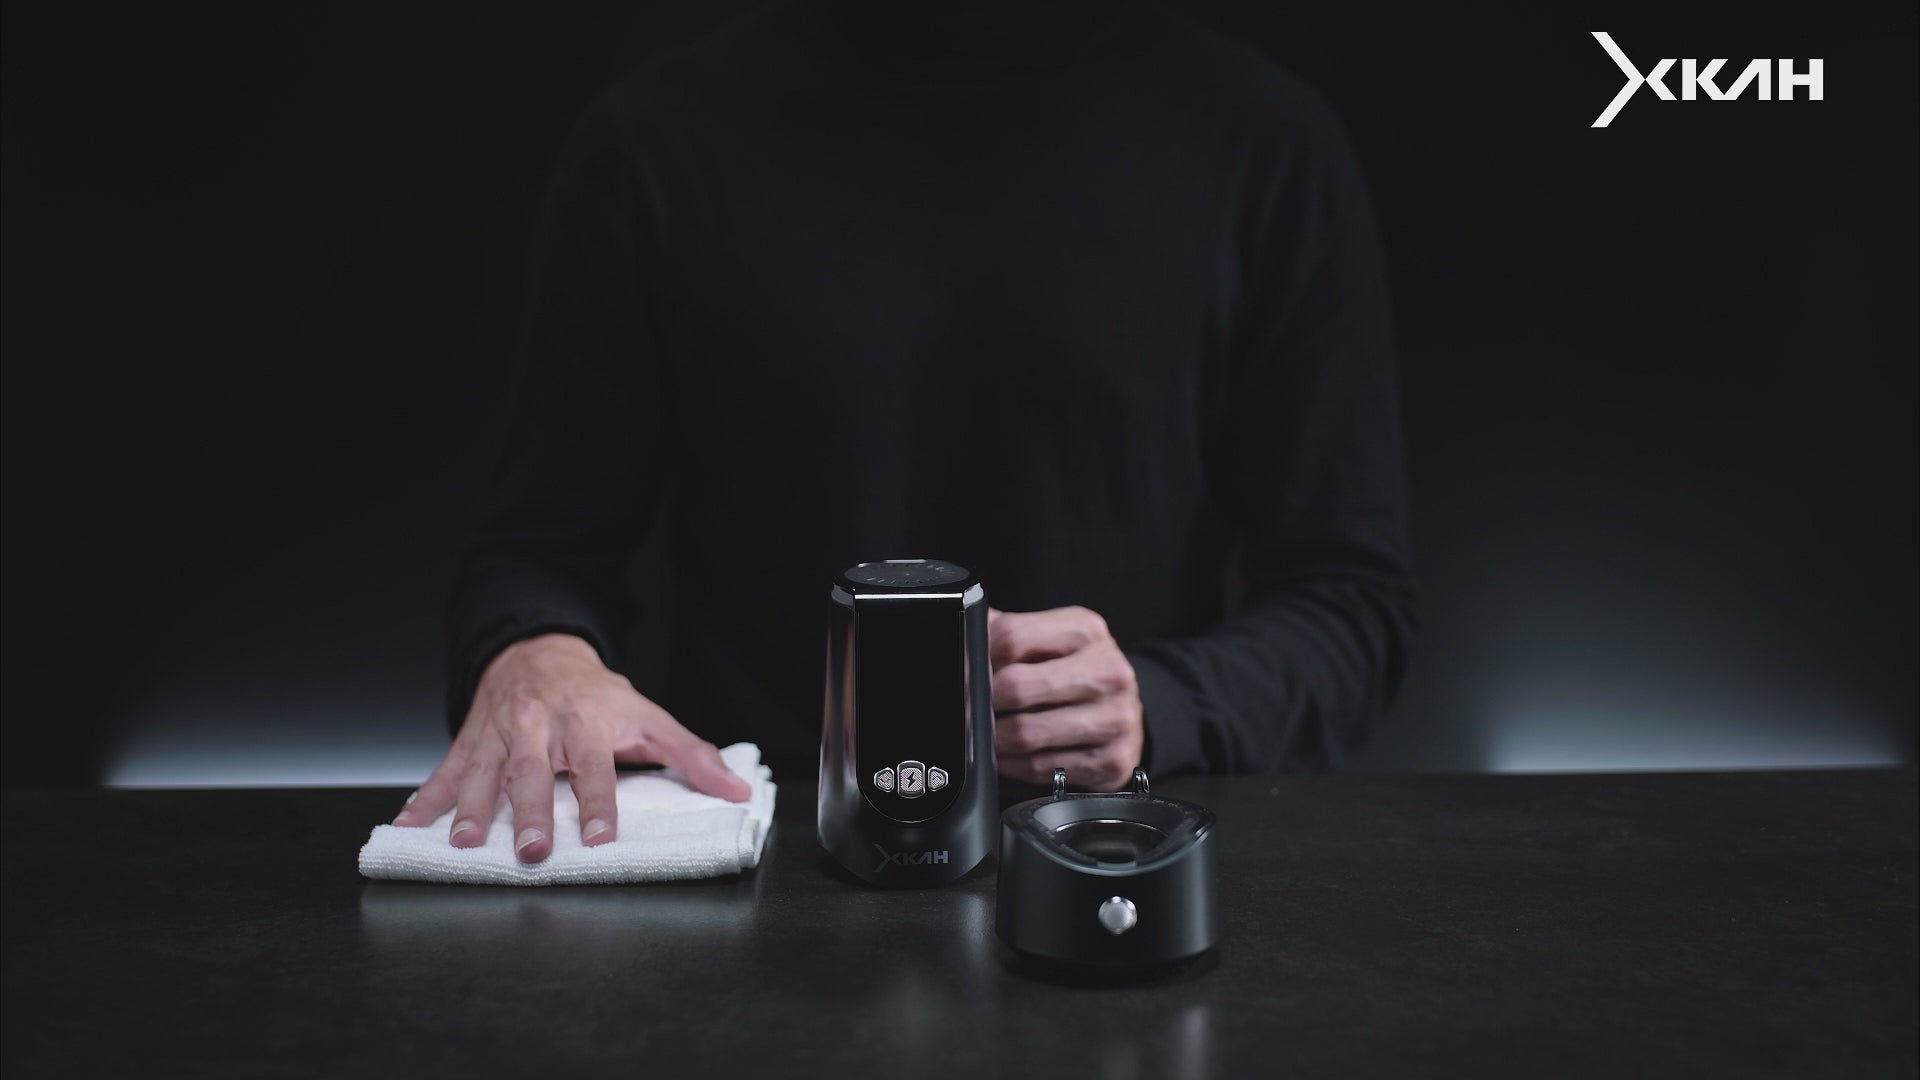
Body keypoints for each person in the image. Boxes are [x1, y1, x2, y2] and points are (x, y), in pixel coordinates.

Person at [393, 0, 1416, 864]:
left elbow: (1351, 604)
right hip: (766, 868)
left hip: (1107, 857)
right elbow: (536, 552)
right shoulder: (652, 142)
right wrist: (537, 655)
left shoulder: (1262, 141)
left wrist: (1159, 706)